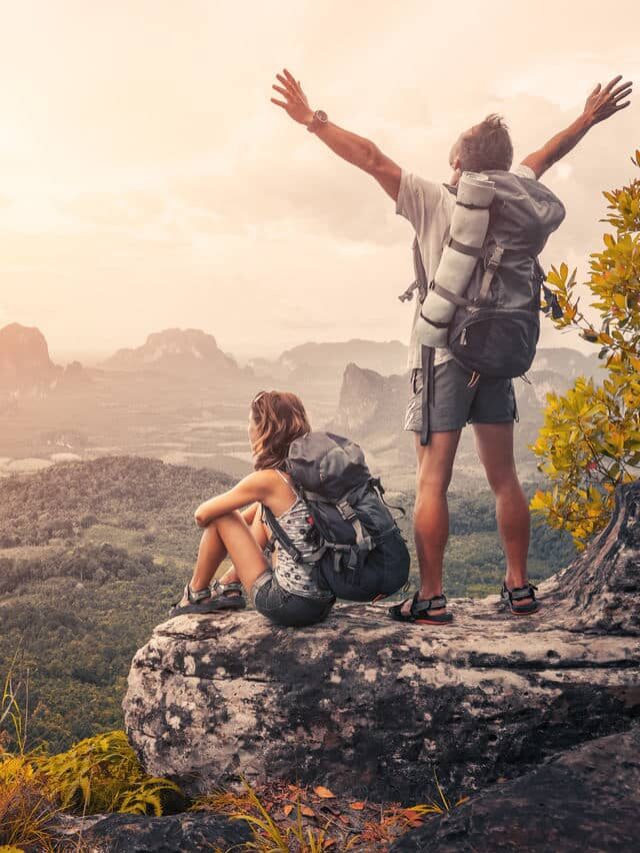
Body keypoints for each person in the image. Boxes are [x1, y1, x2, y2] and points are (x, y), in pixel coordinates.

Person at [270, 70, 632, 624]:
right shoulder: (517, 197)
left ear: (463, 165)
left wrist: (313, 121)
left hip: (444, 358)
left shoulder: (437, 200)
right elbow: (545, 155)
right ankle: (519, 586)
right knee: (504, 476)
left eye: (453, 160)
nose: (449, 168)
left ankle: (432, 596)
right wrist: (586, 118)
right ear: (504, 165)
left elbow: (371, 158)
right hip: (500, 357)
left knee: (432, 477)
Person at [170, 390, 408, 627]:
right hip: (321, 601)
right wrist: (233, 537)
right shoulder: (306, 475)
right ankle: (229, 585)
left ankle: (195, 594)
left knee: (221, 516)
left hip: (287, 603)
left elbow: (201, 515)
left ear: (262, 429)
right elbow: (261, 515)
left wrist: (225, 529)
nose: (248, 429)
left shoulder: (267, 480)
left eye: (250, 423)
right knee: (260, 511)